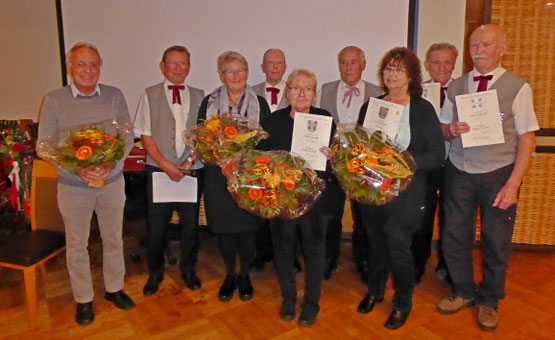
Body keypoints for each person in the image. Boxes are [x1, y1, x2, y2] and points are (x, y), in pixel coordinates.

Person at [436, 24, 538, 332]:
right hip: (458, 170)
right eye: (474, 45)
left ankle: (490, 300)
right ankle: (464, 291)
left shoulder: (518, 87)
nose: (478, 51)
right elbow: (442, 128)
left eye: (486, 45)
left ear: (502, 49)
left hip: (498, 174)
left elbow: (528, 141)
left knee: (496, 241)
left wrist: (513, 184)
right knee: (454, 235)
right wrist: (449, 130)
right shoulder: (456, 86)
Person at [38, 42, 135, 325]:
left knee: (113, 238)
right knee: (77, 244)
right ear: (71, 66)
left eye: (93, 64)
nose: (88, 70)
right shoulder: (54, 100)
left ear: (100, 66)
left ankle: (114, 289)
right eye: (81, 64)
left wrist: (110, 164)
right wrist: (76, 169)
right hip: (73, 187)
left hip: (112, 183)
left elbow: (126, 137)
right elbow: (44, 146)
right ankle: (83, 299)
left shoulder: (115, 96)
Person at [355, 47, 444, 330]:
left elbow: (436, 155)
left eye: (399, 70)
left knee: (397, 246)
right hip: (372, 189)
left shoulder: (422, 108)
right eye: (388, 69)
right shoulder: (371, 106)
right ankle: (375, 291)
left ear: (411, 76)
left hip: (406, 191)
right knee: (375, 242)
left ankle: (402, 302)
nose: (392, 75)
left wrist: (401, 163)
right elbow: (359, 147)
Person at [260, 69, 338, 327]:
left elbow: (337, 157)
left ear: (315, 93)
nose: (302, 93)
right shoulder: (273, 121)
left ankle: (312, 302)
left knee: (315, 251)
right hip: (282, 198)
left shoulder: (324, 119)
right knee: (283, 249)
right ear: (287, 91)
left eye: (308, 89)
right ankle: (288, 298)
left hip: (314, 199)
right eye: (296, 88)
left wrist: (332, 155)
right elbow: (261, 160)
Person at [197, 51, 271, 302]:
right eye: (230, 71)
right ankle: (230, 273)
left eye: (241, 70)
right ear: (222, 75)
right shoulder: (208, 102)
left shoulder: (260, 103)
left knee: (248, 227)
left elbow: (267, 140)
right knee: (225, 228)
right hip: (218, 175)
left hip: (249, 174)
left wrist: (245, 160)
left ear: (248, 73)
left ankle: (245, 275)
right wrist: (221, 156)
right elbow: (201, 137)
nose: (236, 76)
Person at [134, 45, 205, 296]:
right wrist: (165, 165)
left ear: (189, 67)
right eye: (173, 63)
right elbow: (145, 134)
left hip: (192, 170)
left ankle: (188, 270)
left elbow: (205, 136)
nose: (178, 68)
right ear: (163, 66)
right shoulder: (149, 95)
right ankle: (155, 273)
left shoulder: (201, 95)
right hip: (158, 170)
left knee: (190, 227)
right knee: (157, 226)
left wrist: (187, 164)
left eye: (183, 63)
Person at [315, 46, 381, 281]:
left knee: (364, 214)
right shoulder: (325, 90)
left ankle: (363, 260)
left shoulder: (378, 92)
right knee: (329, 213)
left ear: (363, 64)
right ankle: (328, 259)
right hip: (333, 163)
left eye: (353, 62)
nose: (348, 67)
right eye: (343, 62)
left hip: (364, 164)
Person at [413, 42, 459, 283]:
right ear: (427, 65)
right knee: (424, 215)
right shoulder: (416, 93)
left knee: (452, 218)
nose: (442, 67)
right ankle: (417, 264)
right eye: (436, 62)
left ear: (454, 65)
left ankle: (448, 264)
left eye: (447, 61)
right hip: (428, 165)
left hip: (457, 163)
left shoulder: (465, 92)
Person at [251, 48, 289, 271]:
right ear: (262, 67)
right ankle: (261, 253)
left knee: (284, 209)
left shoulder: (296, 92)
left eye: (279, 63)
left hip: (286, 162)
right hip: (259, 160)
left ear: (285, 67)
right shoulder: (251, 93)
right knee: (260, 208)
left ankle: (287, 256)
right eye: (270, 63)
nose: (274, 67)